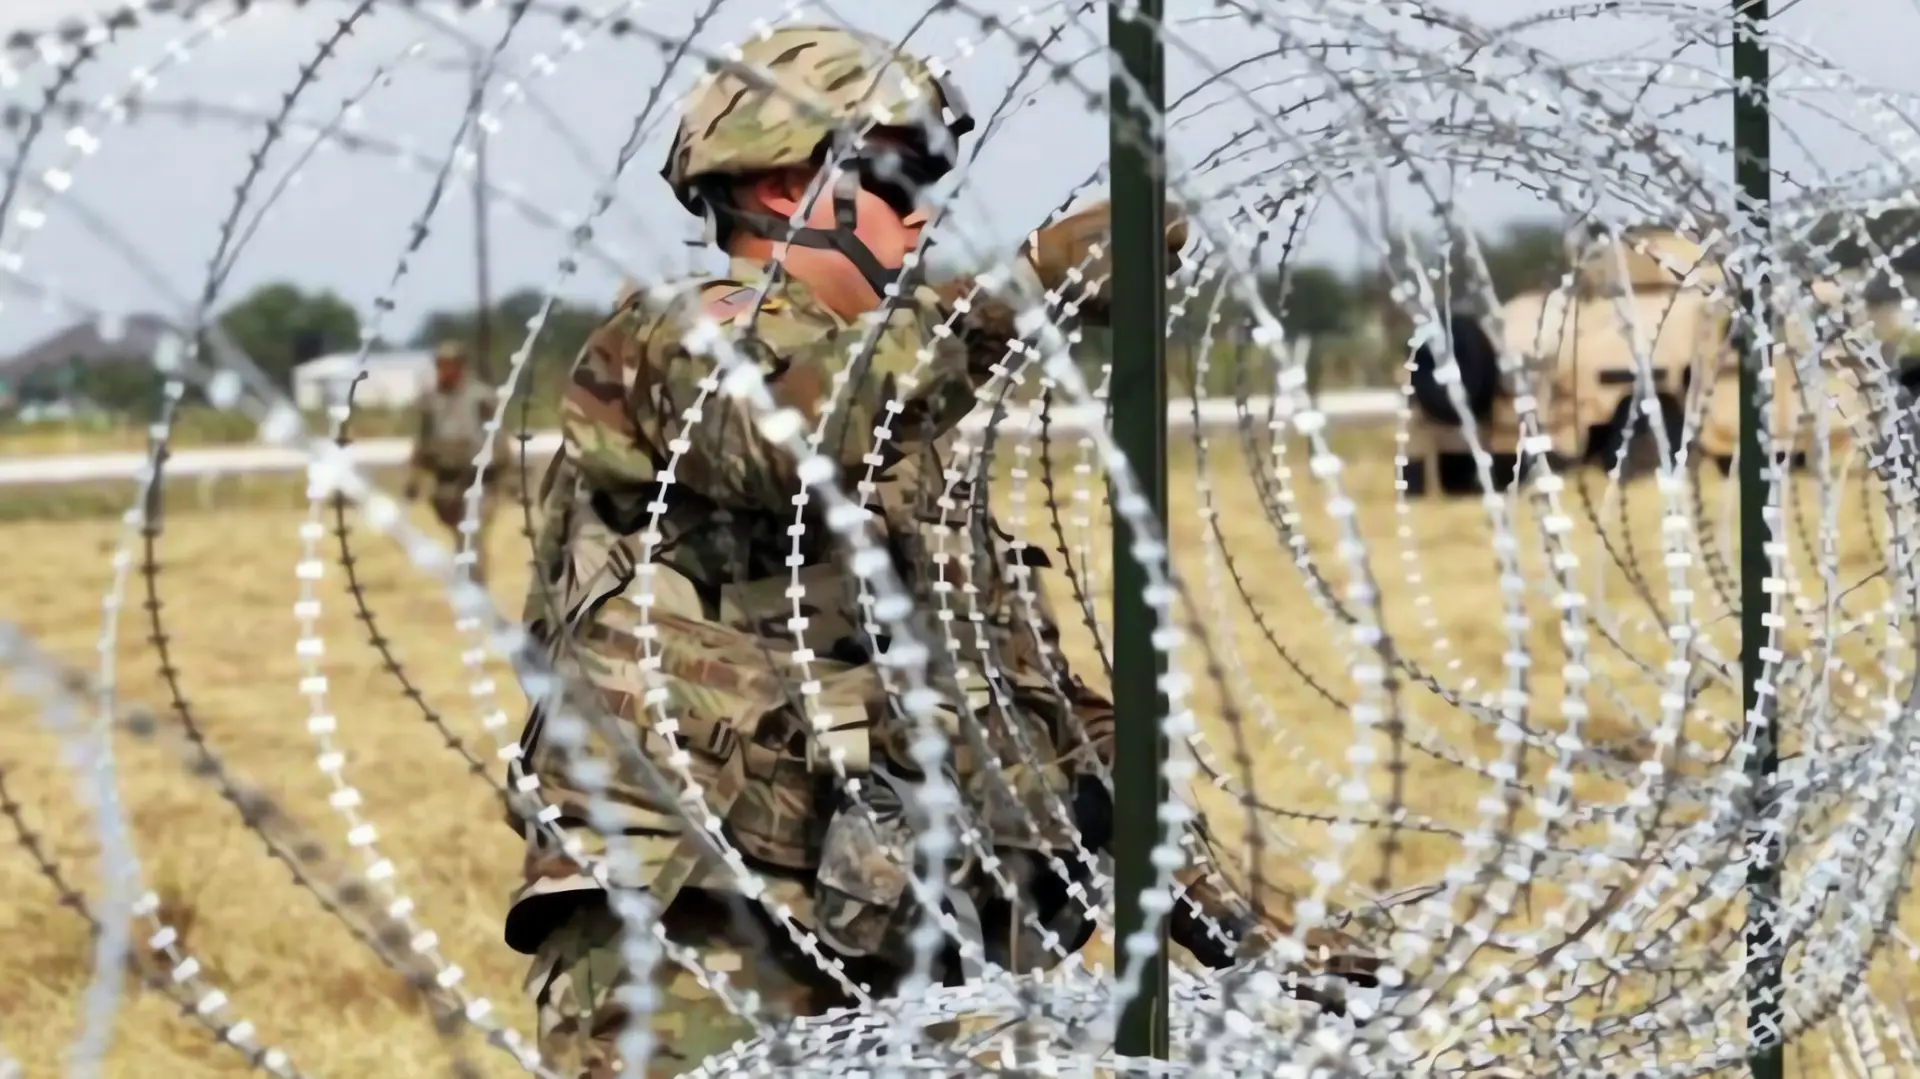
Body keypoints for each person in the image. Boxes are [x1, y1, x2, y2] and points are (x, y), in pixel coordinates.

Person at [507, 25, 1373, 1077]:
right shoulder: (672, 336)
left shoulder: (912, 443)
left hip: (884, 929)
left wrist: (1244, 922)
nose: (924, 210)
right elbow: (795, 439)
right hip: (695, 923)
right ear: (786, 185)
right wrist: (1024, 293)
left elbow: (1041, 719)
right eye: (897, 173)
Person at [405, 339, 508, 584]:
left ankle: (475, 585)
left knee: (473, 534)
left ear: (461, 366)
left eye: (449, 364)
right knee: (460, 535)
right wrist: (415, 477)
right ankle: (467, 578)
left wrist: (507, 473)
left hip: (480, 478)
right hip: (446, 481)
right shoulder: (430, 400)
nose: (444, 369)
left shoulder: (481, 396)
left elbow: (499, 437)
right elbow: (423, 440)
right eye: (440, 364)